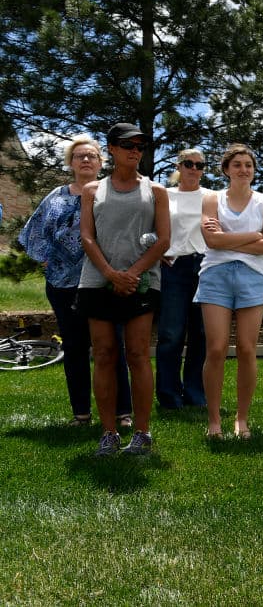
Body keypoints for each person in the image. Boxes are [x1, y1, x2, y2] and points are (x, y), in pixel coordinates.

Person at [18, 135, 133, 427]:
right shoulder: (55, 196)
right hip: (62, 285)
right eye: (79, 156)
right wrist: (47, 259)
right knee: (75, 347)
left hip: (104, 282)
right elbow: (33, 232)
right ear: (70, 163)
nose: (85, 160)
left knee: (111, 347)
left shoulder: (112, 193)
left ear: (100, 162)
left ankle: (123, 413)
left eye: (91, 156)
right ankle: (81, 413)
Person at [79, 123, 170, 456]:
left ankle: (142, 434)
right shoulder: (92, 191)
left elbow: (163, 239)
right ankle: (109, 433)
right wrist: (109, 273)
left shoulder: (155, 191)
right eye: (127, 145)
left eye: (140, 146)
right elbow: (87, 237)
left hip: (142, 282)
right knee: (103, 355)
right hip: (97, 281)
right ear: (112, 150)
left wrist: (131, 274)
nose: (135, 150)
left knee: (137, 354)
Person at [195, 143, 263, 440]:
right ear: (227, 169)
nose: (244, 169)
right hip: (215, 276)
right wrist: (253, 235)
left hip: (252, 277)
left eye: (249, 165)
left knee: (246, 348)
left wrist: (229, 238)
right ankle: (215, 420)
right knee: (216, 348)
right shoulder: (211, 199)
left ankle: (242, 420)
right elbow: (211, 242)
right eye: (238, 164)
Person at [155, 149, 212, 409]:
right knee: (171, 333)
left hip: (206, 266)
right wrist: (156, 254)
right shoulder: (164, 196)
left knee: (201, 333)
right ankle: (169, 395)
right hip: (173, 267)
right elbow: (147, 229)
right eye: (188, 164)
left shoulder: (213, 197)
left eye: (200, 165)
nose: (194, 169)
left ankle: (195, 393)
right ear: (179, 166)